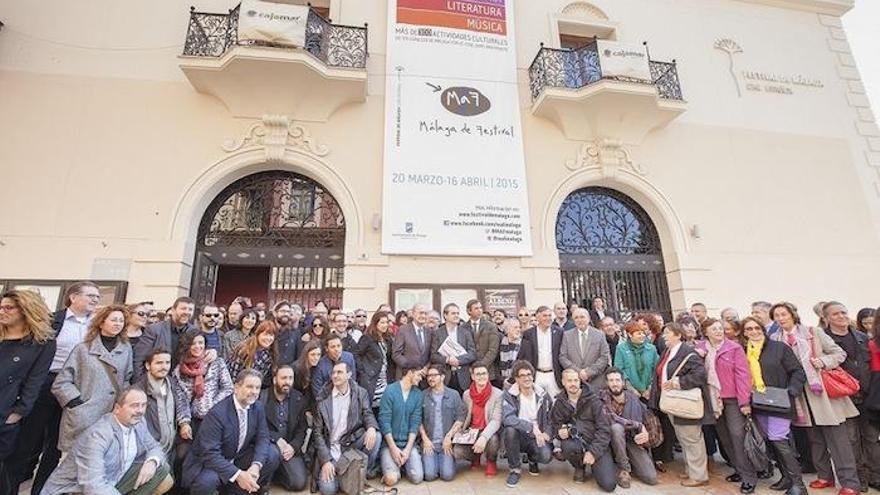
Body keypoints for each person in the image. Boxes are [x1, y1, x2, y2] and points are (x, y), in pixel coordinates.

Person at [10, 281, 99, 495]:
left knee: (56, 445)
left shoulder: (96, 326)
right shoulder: (52, 321)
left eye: (97, 296)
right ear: (73, 298)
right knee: (29, 441)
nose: (96, 299)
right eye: (90, 295)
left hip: (75, 389)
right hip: (46, 384)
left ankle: (41, 490)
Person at [769, 302, 860, 495]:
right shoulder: (775, 339)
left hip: (822, 393)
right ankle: (824, 476)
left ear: (792, 315)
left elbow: (838, 353)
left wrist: (823, 362)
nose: (780, 318)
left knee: (838, 439)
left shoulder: (812, 332)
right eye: (776, 315)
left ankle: (850, 483)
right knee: (815, 439)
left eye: (783, 314)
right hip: (799, 395)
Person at [41, 388, 173, 495]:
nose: (140, 411)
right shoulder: (98, 435)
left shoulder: (138, 422)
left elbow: (154, 447)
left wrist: (151, 461)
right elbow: (93, 485)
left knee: (162, 471)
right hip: (76, 490)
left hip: (112, 480)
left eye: (143, 405)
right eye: (134, 405)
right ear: (117, 408)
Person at [182, 369, 280, 494]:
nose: (254, 392)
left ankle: (237, 491)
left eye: (257, 387)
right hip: (211, 462)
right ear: (236, 387)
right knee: (207, 482)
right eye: (249, 386)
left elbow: (263, 437)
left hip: (237, 455)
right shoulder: (217, 414)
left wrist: (256, 465)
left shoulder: (258, 407)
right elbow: (210, 454)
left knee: (272, 454)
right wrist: (238, 475)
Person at [53, 304, 134, 453]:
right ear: (102, 322)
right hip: (84, 416)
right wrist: (76, 403)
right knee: (73, 465)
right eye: (113, 320)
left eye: (121, 321)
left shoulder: (126, 348)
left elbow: (127, 378)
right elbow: (61, 382)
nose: (117, 324)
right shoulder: (83, 349)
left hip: (111, 416)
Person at [741, 316, 808, 495]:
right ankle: (786, 478)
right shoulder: (743, 351)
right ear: (744, 332)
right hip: (759, 403)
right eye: (749, 329)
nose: (753, 331)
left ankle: (799, 485)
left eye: (757, 328)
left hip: (780, 402)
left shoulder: (779, 348)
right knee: (771, 440)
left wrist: (791, 391)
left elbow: (797, 371)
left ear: (763, 330)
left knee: (779, 438)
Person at [0, 290, 55, 494]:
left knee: (7, 470)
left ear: (25, 310)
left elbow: (35, 381)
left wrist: (18, 413)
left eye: (8, 308)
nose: (2, 311)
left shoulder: (42, 343)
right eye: (1, 306)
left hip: (5, 414)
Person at [696, 318, 755, 493]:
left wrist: (744, 401)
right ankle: (738, 469)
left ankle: (749, 477)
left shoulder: (734, 348)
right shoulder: (701, 349)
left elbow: (743, 376)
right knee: (724, 437)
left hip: (733, 399)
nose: (718, 331)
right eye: (713, 329)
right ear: (706, 332)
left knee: (737, 436)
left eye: (720, 329)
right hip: (713, 400)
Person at [649, 322, 711, 487]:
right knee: (684, 438)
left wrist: (678, 383)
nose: (664, 336)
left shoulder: (688, 352)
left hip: (684, 401)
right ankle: (691, 469)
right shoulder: (668, 352)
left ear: (678, 335)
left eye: (667, 333)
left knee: (692, 439)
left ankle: (699, 475)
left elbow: (700, 375)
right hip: (673, 401)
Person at [823, 302, 874, 493]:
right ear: (827, 318)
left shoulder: (861, 337)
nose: (841, 316)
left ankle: (874, 476)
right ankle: (859, 479)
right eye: (835, 314)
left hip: (867, 396)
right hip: (844, 399)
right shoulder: (824, 340)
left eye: (844, 312)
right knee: (851, 440)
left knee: (870, 438)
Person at [313, 362, 380, 495]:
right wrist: (326, 460)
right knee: (328, 490)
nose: (335, 375)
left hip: (350, 443)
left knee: (376, 436)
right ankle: (344, 475)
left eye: (339, 372)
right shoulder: (323, 397)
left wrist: (371, 427)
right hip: (330, 448)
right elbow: (317, 433)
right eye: (333, 373)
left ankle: (361, 474)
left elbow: (367, 414)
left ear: (349, 375)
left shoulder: (360, 393)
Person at [172, 332, 233, 473]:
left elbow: (228, 388)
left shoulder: (216, 363)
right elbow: (181, 400)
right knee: (182, 454)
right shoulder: (179, 371)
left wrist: (212, 407)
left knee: (213, 452)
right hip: (194, 420)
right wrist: (184, 423)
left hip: (216, 417)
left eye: (200, 342)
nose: (197, 346)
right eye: (193, 343)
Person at [550, 369, 616, 491]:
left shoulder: (594, 399)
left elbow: (604, 429)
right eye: (569, 380)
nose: (573, 383)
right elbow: (555, 425)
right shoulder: (560, 402)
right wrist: (559, 432)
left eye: (576, 380)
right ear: (563, 382)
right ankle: (579, 467)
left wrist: (593, 452)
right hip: (576, 443)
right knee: (567, 446)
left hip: (596, 443)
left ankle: (599, 463)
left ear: (580, 381)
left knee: (609, 485)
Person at [599, 368, 658, 488]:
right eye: (611, 380)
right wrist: (638, 425)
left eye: (617, 380)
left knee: (651, 478)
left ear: (623, 382)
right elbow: (611, 418)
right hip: (609, 442)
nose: (615, 383)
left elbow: (648, 418)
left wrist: (646, 435)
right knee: (616, 428)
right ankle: (623, 468)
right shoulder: (601, 398)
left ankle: (628, 460)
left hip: (631, 440)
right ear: (606, 383)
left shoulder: (633, 398)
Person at [501, 360, 553, 487]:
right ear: (516, 379)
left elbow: (552, 418)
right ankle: (515, 470)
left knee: (546, 456)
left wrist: (547, 432)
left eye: (529, 375)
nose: (527, 378)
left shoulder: (543, 395)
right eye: (522, 375)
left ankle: (532, 459)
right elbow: (507, 418)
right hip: (519, 435)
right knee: (509, 430)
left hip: (537, 436)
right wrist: (530, 427)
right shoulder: (509, 395)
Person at [261, 365, 308, 492]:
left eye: (290, 378)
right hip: (269, 446)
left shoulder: (298, 398)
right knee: (272, 455)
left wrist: (293, 446)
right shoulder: (262, 398)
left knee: (298, 483)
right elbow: (258, 427)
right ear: (275, 379)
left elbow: (302, 429)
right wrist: (276, 439)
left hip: (289, 447)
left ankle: (276, 473)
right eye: (284, 378)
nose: (287, 382)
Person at [378, 367, 425, 486]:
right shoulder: (390, 390)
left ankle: (402, 464)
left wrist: (408, 449)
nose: (420, 378)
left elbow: (415, 422)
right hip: (390, 444)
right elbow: (384, 421)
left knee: (417, 478)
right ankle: (393, 469)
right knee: (391, 479)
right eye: (419, 375)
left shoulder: (418, 394)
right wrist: (393, 448)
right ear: (410, 373)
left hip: (408, 444)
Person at [419, 364, 466, 482]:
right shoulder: (423, 395)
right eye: (429, 376)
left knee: (447, 475)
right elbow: (417, 419)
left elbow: (461, 417)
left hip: (446, 443)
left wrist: (449, 437)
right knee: (429, 476)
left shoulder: (453, 394)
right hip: (429, 443)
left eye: (434, 375)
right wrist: (425, 440)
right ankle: (434, 462)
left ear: (443, 377)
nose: (430, 378)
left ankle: (444, 462)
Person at [454, 364, 503, 477]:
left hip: (489, 431)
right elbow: (465, 416)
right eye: (478, 374)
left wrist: (483, 437)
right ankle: (475, 456)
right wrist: (460, 430)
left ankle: (491, 461)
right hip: (472, 431)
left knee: (493, 440)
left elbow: (496, 420)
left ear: (488, 375)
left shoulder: (498, 394)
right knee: (457, 452)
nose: (481, 377)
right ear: (473, 377)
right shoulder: (467, 394)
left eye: (484, 373)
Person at [132, 349, 179, 461]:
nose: (164, 367)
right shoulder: (137, 391)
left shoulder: (173, 384)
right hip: (149, 452)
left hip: (171, 448)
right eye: (159, 363)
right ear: (148, 365)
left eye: (167, 363)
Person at [133, 296, 197, 380]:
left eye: (190, 309)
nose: (187, 312)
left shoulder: (194, 332)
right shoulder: (154, 329)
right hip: (155, 381)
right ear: (173, 310)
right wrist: (140, 382)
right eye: (183, 308)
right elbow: (139, 358)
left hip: (181, 383)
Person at [559, 307, 611, 390]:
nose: (579, 320)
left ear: (589, 318)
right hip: (575, 383)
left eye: (582, 317)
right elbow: (563, 357)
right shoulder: (567, 335)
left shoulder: (599, 335)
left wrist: (589, 372)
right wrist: (578, 372)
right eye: (576, 318)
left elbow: (604, 357)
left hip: (596, 381)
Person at [517, 305, 563, 397]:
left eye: (550, 316)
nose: (548, 318)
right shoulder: (529, 334)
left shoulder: (559, 332)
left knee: (555, 404)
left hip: (554, 375)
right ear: (537, 317)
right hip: (537, 375)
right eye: (545, 316)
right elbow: (522, 355)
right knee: (537, 404)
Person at [430, 303, 477, 393]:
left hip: (463, 377)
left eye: (458, 313)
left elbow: (472, 354)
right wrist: (447, 360)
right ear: (445, 315)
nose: (456, 315)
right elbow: (433, 356)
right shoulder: (437, 333)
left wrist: (458, 360)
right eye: (453, 313)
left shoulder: (466, 332)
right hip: (445, 377)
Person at [356, 311, 396, 410]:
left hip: (385, 378)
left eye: (386, 322)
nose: (385, 325)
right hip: (372, 378)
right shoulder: (367, 338)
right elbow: (356, 354)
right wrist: (363, 370)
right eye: (382, 322)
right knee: (372, 407)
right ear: (375, 323)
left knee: (384, 407)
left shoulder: (388, 339)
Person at [614, 318, 658, 400]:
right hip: (630, 392)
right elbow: (619, 369)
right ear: (630, 335)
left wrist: (650, 388)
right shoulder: (621, 349)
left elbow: (656, 369)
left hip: (649, 392)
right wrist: (631, 389)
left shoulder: (651, 349)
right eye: (639, 334)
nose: (642, 336)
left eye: (643, 333)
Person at [461, 300, 502, 388]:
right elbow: (462, 350)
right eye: (476, 308)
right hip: (468, 373)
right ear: (469, 311)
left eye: (480, 308)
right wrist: (471, 368)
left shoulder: (491, 326)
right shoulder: (462, 328)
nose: (480, 310)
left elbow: (493, 350)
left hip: (487, 371)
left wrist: (481, 367)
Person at [228, 320, 279, 389]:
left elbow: (261, 377)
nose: (268, 338)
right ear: (258, 334)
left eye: (271, 335)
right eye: (265, 334)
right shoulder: (244, 349)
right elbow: (233, 373)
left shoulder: (269, 355)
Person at [392, 303, 433, 379]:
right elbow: (396, 354)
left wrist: (426, 368)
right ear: (413, 314)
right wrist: (412, 369)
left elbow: (431, 354)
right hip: (407, 376)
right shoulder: (403, 330)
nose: (423, 316)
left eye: (425, 313)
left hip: (424, 377)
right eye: (421, 313)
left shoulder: (429, 332)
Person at [312, 334, 357, 398]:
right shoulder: (320, 365)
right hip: (327, 400)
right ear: (326, 349)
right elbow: (317, 391)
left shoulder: (349, 357)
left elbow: (353, 381)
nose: (337, 349)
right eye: (333, 347)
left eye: (339, 346)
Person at [499, 318, 523, 388]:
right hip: (503, 382)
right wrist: (503, 380)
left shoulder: (524, 344)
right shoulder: (501, 344)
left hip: (519, 382)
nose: (518, 330)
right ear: (508, 329)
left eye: (519, 327)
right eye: (515, 327)